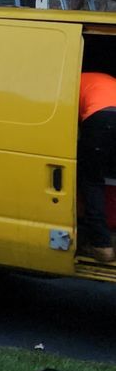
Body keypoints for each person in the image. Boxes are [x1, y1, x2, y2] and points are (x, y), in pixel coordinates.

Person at [77, 70, 116, 263]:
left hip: (100, 118)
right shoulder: (107, 80)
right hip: (108, 115)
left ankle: (101, 245)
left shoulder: (71, 81)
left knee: (91, 180)